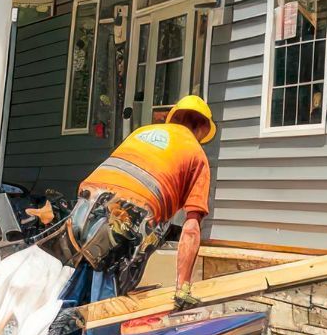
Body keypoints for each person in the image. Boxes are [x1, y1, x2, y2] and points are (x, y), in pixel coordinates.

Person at [40, 93, 216, 311]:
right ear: (202, 129)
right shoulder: (196, 154)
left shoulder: (142, 132)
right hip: (130, 212)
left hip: (88, 198)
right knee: (109, 293)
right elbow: (191, 228)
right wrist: (183, 288)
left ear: (174, 118)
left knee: (82, 269)